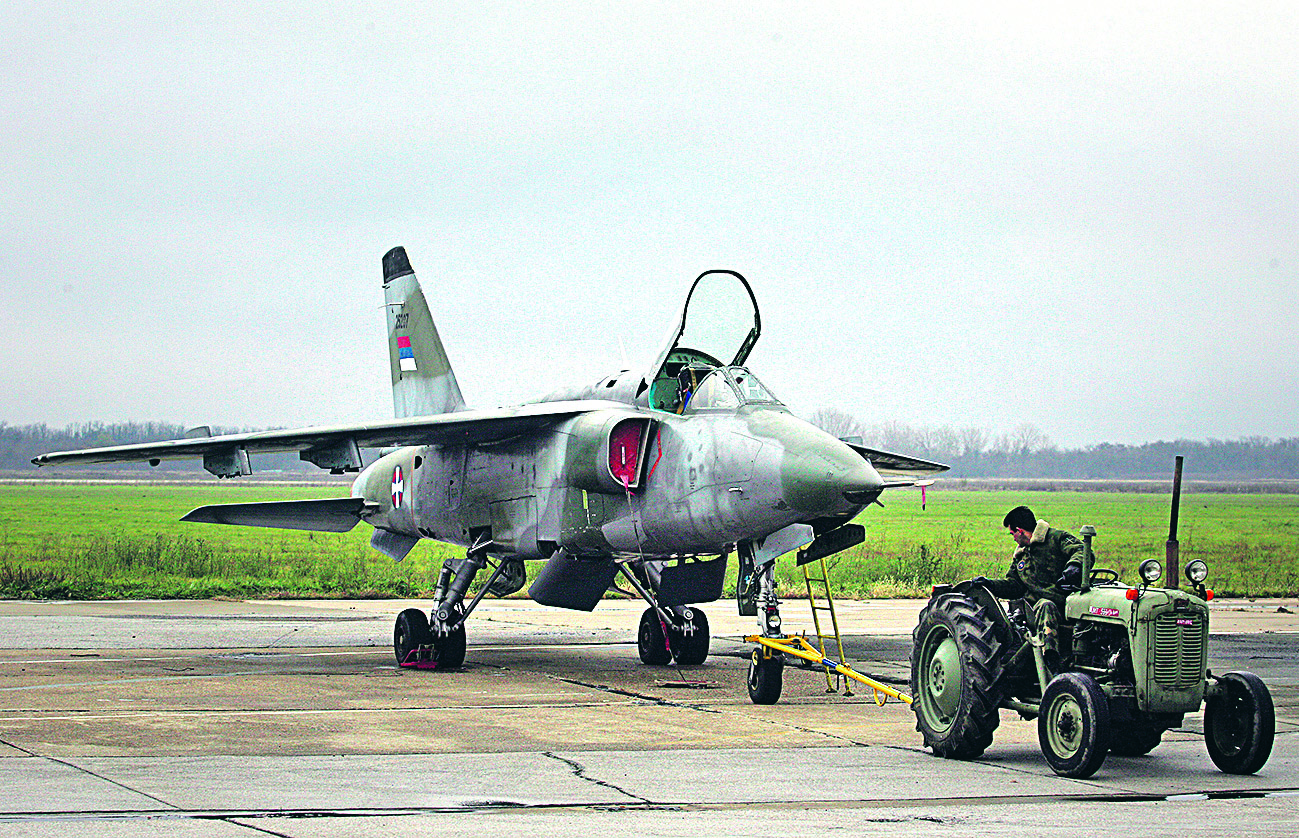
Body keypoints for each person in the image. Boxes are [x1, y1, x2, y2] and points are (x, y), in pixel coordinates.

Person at [981, 505, 1086, 669]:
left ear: (1020, 530)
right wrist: (990, 584)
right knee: (1046, 605)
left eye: (1012, 534)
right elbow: (1014, 585)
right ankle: (1051, 660)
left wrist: (1074, 567)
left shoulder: (1055, 538)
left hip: (1068, 602)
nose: (1013, 538)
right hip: (1037, 609)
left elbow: (1081, 551)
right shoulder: (1021, 556)